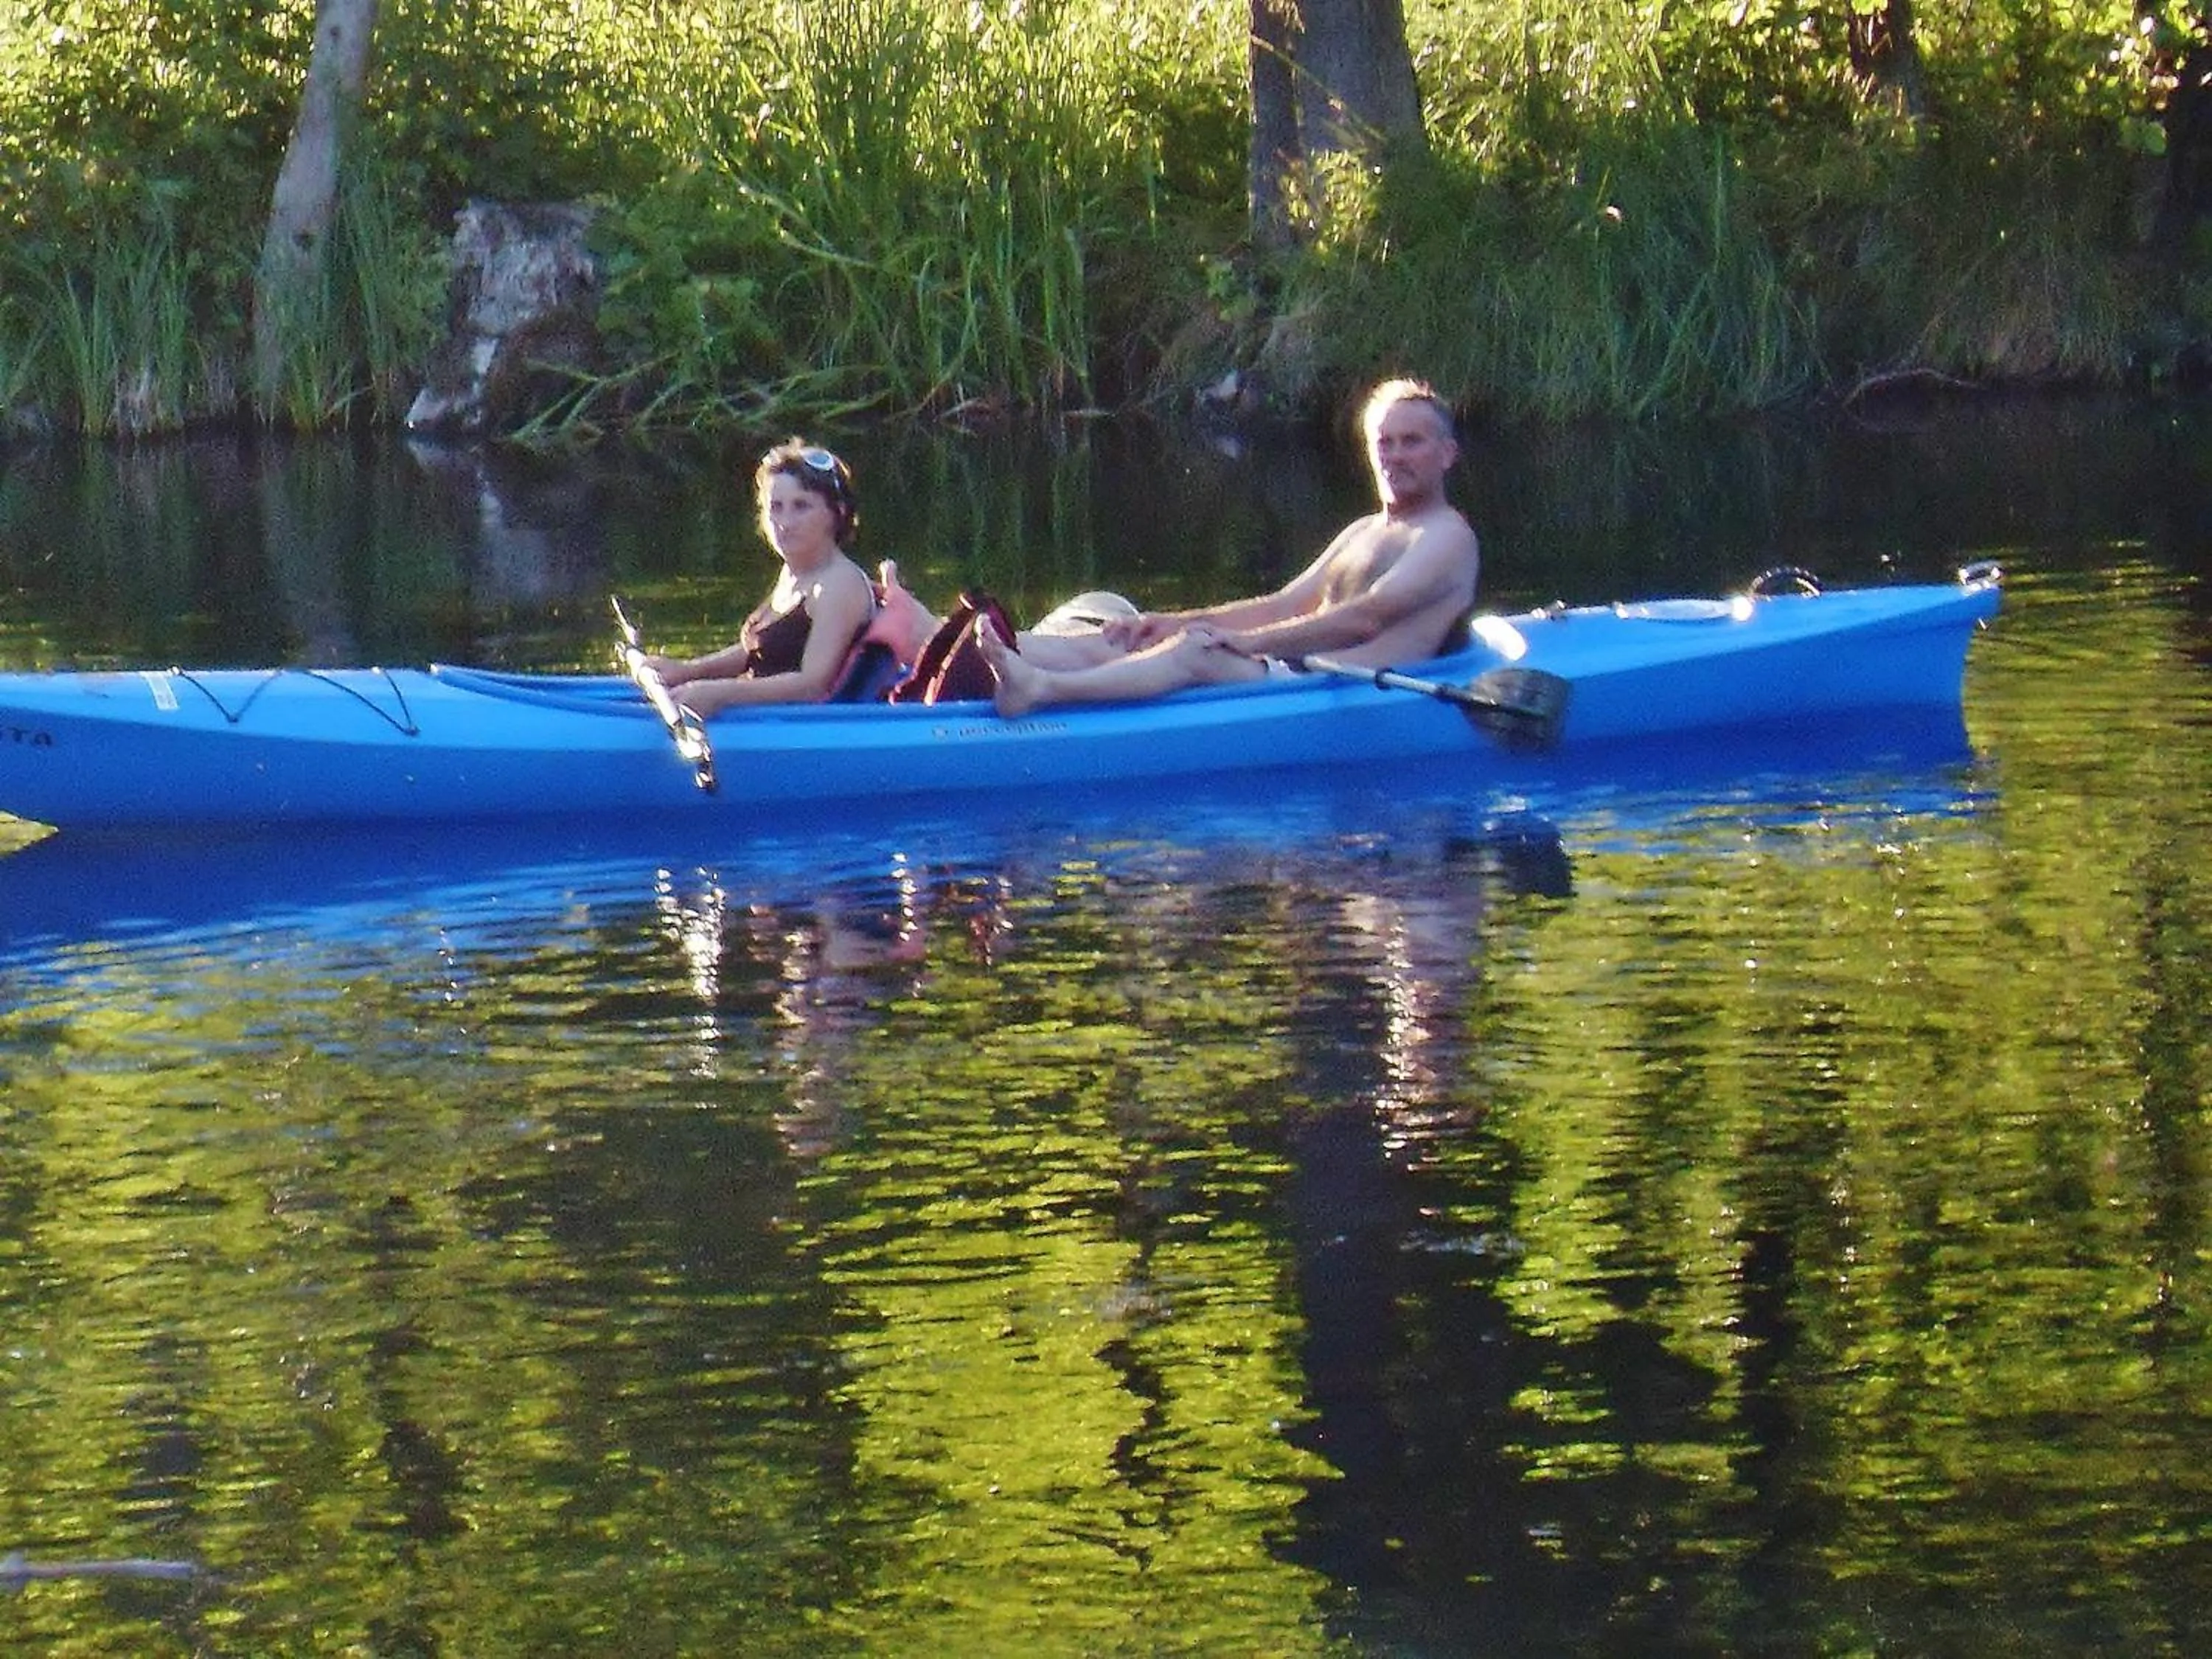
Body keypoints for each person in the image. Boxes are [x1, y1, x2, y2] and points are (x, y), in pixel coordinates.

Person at [976, 378, 1481, 717]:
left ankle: (1042, 689)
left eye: (1411, 442)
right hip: (1294, 675)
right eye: (1383, 443)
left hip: (1343, 691)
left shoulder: (1447, 537)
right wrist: (1171, 622)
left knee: (1196, 652)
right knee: (1128, 635)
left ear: (1448, 454)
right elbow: (1282, 606)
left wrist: (1245, 643)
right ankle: (950, 649)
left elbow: (1366, 618)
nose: (1393, 456)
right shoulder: (1365, 530)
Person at [645, 440, 880, 715]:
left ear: (837, 513)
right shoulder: (794, 572)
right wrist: (688, 671)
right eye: (775, 507)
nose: (785, 522)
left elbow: (811, 685)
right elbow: (757, 650)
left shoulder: (839, 583)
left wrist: (719, 693)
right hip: (764, 717)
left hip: (801, 728)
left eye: (801, 506)